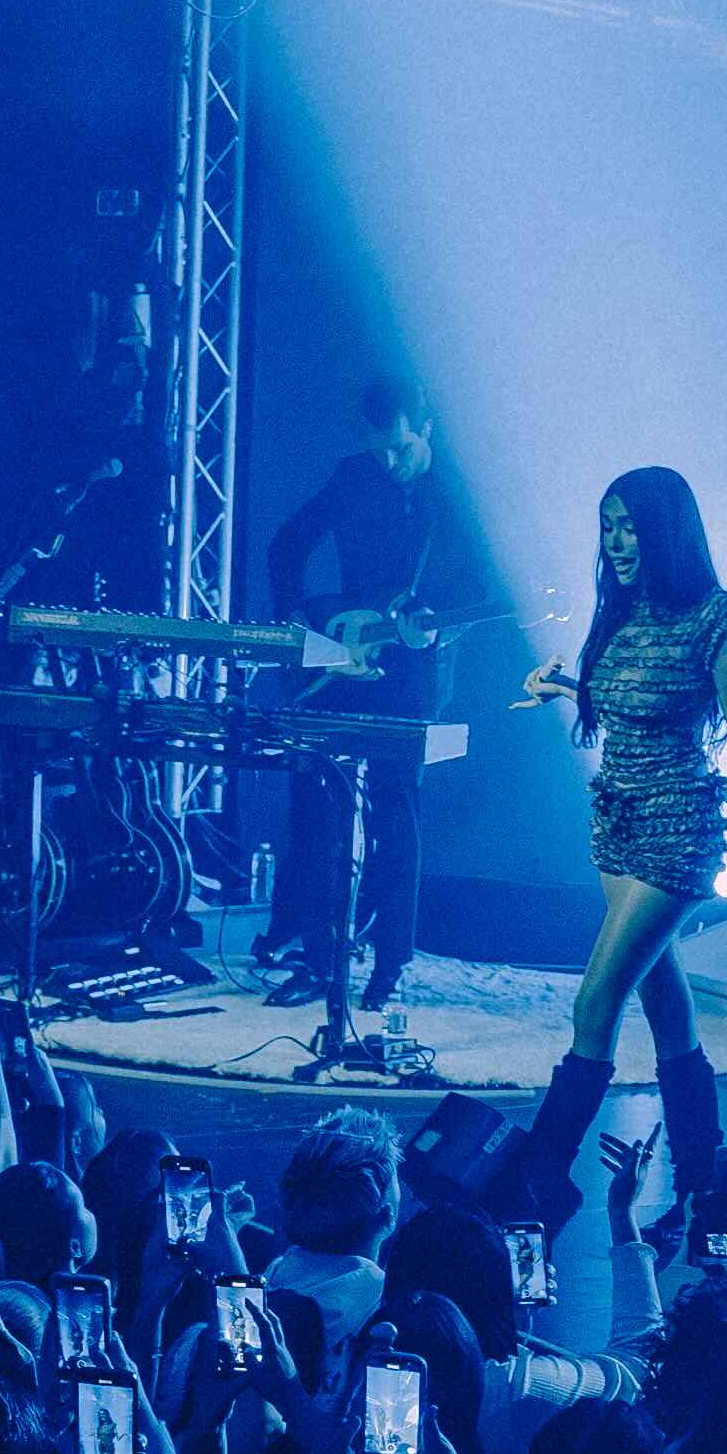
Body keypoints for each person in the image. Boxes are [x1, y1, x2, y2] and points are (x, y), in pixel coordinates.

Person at [504, 467, 727, 1222]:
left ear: (666, 532)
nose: (617, 543)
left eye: (631, 527)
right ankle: (702, 1178)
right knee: (667, 1006)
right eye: (608, 526)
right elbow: (618, 700)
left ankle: (539, 1180)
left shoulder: (717, 619)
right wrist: (561, 688)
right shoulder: (619, 612)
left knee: (594, 1003)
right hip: (617, 826)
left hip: (676, 832)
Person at [266, 381, 453, 1015]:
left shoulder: (454, 497)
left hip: (416, 669)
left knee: (397, 810)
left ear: (426, 428)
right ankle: (319, 958)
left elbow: (481, 583)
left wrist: (435, 617)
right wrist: (302, 620)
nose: (388, 461)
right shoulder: (354, 475)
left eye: (400, 447)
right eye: (378, 449)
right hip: (348, 654)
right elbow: (286, 545)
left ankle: (392, 962)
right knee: (323, 805)